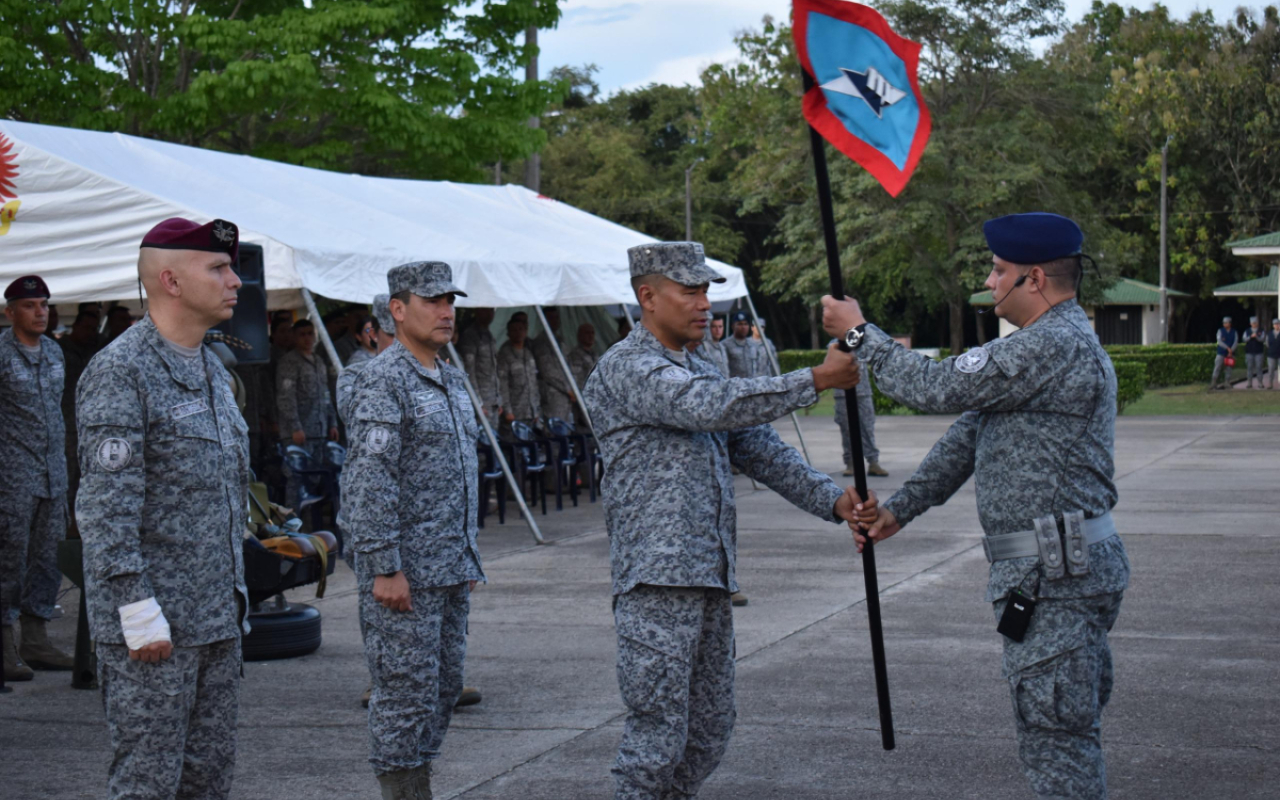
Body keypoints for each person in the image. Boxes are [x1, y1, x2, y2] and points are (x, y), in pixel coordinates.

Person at [826, 212, 1130, 800]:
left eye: (998, 270)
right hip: (1055, 570)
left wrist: (861, 332)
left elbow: (935, 389)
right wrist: (901, 509)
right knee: (1059, 726)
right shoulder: (1044, 346)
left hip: (1055, 576)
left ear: (1034, 278)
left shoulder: (1051, 343)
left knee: (1057, 741)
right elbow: (970, 433)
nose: (989, 282)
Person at [584, 241, 870, 800]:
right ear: (647, 296)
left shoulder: (700, 364)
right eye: (688, 290)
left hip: (710, 575)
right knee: (655, 741)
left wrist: (833, 500)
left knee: (709, 731)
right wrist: (814, 378)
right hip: (657, 580)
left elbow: (756, 446)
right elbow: (707, 407)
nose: (704, 304)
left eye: (706, 291)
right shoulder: (629, 367)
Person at [77, 217, 250, 799]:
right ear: (171, 281)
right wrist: (135, 607)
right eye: (219, 268)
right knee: (149, 782)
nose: (236, 280)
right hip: (156, 624)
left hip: (215, 619)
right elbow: (105, 506)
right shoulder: (122, 371)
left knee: (207, 781)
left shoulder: (210, 368)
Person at [339, 261, 484, 800]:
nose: (446, 311)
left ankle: (417, 779)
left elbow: (461, 474)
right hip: (405, 575)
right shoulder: (382, 379)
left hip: (448, 567)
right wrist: (383, 566)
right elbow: (370, 479)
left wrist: (466, 556)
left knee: (444, 690)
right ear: (397, 310)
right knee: (404, 695)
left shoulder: (448, 376)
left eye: (450, 301)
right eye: (432, 301)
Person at [1, 275, 74, 680]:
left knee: (47, 560)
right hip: (12, 476)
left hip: (52, 476)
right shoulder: (1, 352)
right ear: (10, 312)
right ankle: (4, 644)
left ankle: (36, 638)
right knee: (8, 560)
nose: (40, 312)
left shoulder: (54, 352)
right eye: (30, 305)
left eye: (44, 304)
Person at [276, 319, 339, 509]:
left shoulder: (319, 361)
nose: (307, 338)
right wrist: (295, 426)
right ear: (294, 337)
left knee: (315, 481)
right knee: (296, 480)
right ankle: (293, 523)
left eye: (310, 334)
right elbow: (286, 397)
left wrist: (332, 422)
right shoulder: (289, 362)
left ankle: (313, 527)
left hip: (318, 429)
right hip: (299, 432)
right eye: (302, 334)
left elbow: (326, 394)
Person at [59, 310, 101, 530]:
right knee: (69, 475)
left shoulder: (97, 350)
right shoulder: (59, 351)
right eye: (86, 327)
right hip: (66, 425)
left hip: (91, 423)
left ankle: (82, 524)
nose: (90, 333)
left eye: (94, 329)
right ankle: (66, 524)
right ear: (75, 326)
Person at [833, 376, 889, 477]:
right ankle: (850, 463)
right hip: (842, 391)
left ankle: (873, 463)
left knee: (868, 428)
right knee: (847, 429)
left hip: (863, 391)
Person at [457, 307, 504, 426]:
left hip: (492, 402)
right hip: (481, 402)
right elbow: (469, 372)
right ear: (477, 311)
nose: (489, 314)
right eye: (485, 310)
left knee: (494, 439)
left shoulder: (489, 335)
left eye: (491, 310)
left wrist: (498, 400)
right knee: (483, 440)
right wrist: (477, 403)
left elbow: (494, 370)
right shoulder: (470, 335)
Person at [530, 306, 576, 425]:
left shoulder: (559, 339)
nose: (555, 321)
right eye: (551, 318)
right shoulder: (542, 342)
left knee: (567, 430)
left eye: (556, 318)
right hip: (553, 394)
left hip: (567, 396)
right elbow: (548, 372)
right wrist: (568, 389)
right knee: (556, 430)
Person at [497, 315, 541, 436]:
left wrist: (536, 411)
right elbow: (502, 385)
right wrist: (507, 411)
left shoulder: (529, 354)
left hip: (530, 413)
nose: (518, 333)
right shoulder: (505, 354)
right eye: (514, 330)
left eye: (521, 329)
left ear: (526, 331)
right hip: (515, 412)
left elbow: (534, 384)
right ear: (508, 333)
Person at [568, 322, 598, 427]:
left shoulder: (594, 354)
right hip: (583, 398)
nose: (590, 336)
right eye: (587, 333)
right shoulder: (575, 354)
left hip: (596, 397)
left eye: (592, 333)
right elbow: (575, 377)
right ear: (579, 336)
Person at [724, 310, 769, 378]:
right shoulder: (725, 345)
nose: (743, 327)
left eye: (745, 324)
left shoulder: (753, 345)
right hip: (735, 386)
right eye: (740, 324)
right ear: (733, 326)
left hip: (752, 385)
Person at [1210, 316, 1237, 390]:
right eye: (1224, 323)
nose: (1224, 324)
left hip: (1231, 354)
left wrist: (1231, 350)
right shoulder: (1220, 331)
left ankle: (1227, 382)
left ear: (1230, 323)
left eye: (1226, 323)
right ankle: (1213, 382)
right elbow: (1219, 341)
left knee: (1229, 368)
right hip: (1221, 352)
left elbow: (1235, 342)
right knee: (1217, 366)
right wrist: (1227, 348)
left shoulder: (1234, 332)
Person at [1243, 316, 1266, 389]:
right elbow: (1244, 339)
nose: (1254, 324)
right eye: (1253, 323)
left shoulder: (1261, 330)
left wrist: (1256, 337)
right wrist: (1250, 337)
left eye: (1255, 323)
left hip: (1259, 352)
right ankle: (1249, 383)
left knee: (1259, 368)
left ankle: (1260, 383)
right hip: (1249, 352)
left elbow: (1262, 339)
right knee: (1249, 368)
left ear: (1257, 323)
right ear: (1250, 323)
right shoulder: (1247, 331)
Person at [1267, 319, 1280, 390]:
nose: (1276, 325)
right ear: (1273, 325)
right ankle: (1270, 384)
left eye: (1278, 324)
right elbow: (1267, 344)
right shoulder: (1269, 334)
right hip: (1271, 354)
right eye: (1275, 324)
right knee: (1271, 369)